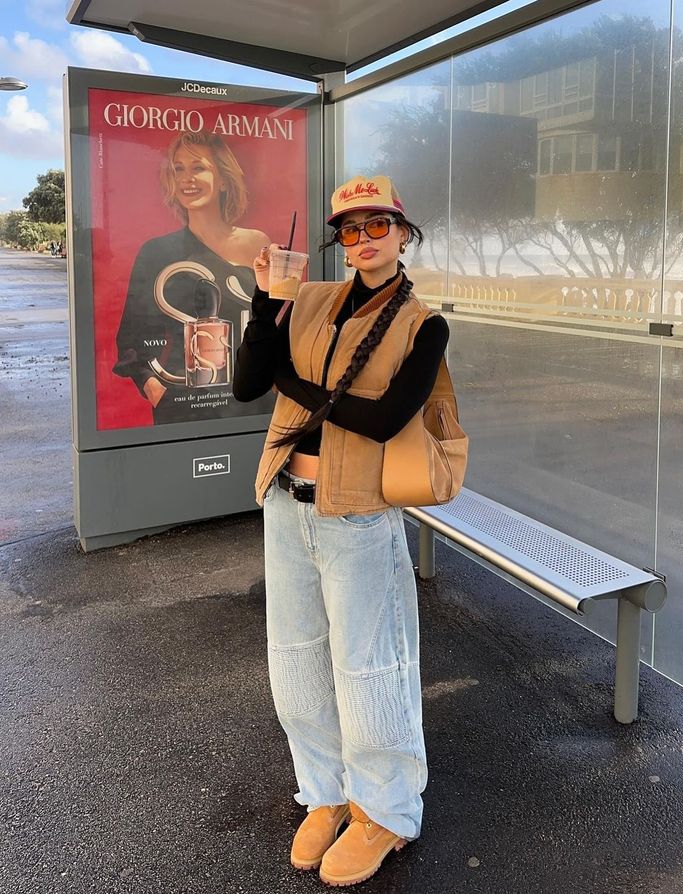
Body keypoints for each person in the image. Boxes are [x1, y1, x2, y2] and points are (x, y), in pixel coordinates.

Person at [233, 175, 450, 887]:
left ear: (402, 230)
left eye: (376, 225)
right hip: (285, 501)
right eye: (349, 231)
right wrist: (266, 301)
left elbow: (387, 420)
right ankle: (325, 794)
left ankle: (384, 810)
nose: (363, 240)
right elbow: (246, 381)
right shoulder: (311, 299)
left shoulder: (425, 323)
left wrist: (299, 395)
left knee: (369, 668)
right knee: (294, 659)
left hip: (356, 512)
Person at [113, 130, 270, 423]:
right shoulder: (156, 252)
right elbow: (132, 334)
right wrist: (152, 383)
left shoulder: (256, 242)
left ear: (223, 179)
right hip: (183, 404)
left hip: (253, 401)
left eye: (198, 167)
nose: (187, 178)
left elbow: (271, 320)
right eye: (178, 169)